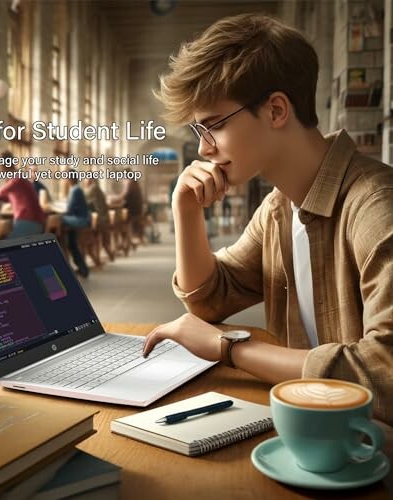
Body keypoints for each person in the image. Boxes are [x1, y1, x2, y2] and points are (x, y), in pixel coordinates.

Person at [143, 14, 393, 425]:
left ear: (276, 109)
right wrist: (185, 210)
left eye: (213, 126)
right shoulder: (278, 209)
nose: (204, 149)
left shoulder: (376, 206)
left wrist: (231, 348)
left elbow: (384, 372)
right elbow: (210, 300)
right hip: (314, 432)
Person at [0, 150, 45, 238]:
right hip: (36, 222)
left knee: (7, 248)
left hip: (28, 222)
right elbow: (7, 197)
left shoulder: (15, 179)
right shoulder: (21, 178)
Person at [63, 172, 91, 277]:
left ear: (69, 179)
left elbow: (69, 210)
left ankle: (79, 267)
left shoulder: (75, 190)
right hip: (81, 219)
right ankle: (82, 268)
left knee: (60, 219)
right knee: (71, 242)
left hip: (81, 220)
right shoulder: (77, 189)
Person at [83, 177, 114, 261]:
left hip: (99, 221)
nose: (84, 181)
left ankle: (97, 260)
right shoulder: (97, 188)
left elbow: (83, 198)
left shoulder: (93, 188)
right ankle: (106, 257)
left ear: (89, 180)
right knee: (104, 242)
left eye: (85, 178)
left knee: (88, 237)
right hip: (104, 219)